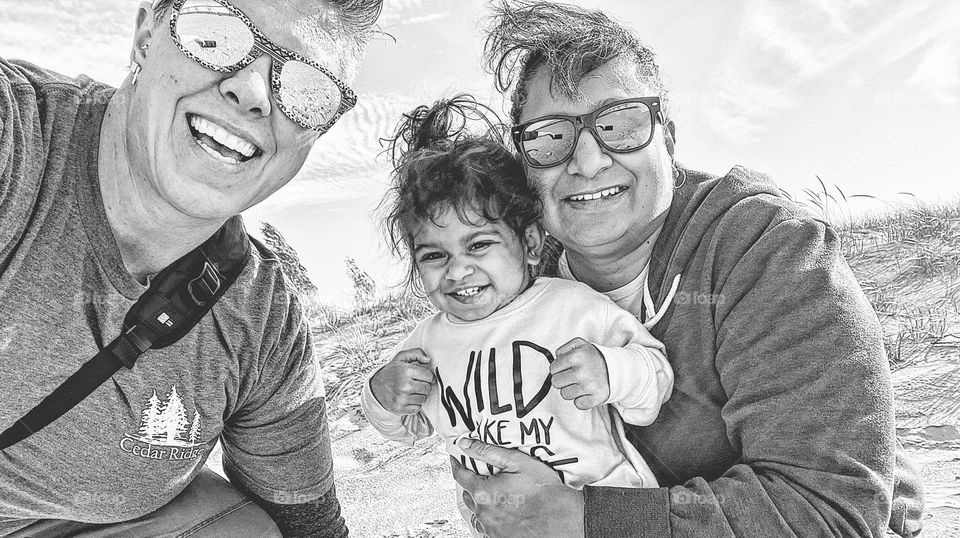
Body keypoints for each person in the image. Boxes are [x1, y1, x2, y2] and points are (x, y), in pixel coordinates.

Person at [449, 2, 925, 537]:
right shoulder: (526, 293)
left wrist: (586, 520)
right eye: (550, 136)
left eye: (621, 123)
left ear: (668, 139)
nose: (586, 161)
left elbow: (828, 509)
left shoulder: (765, 249)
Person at [0, 0, 381, 535]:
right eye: (217, 34)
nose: (251, 93)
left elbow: (310, 523)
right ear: (146, 36)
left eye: (306, 89)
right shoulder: (17, 142)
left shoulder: (260, 318)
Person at [360, 95, 674, 537]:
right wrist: (382, 394)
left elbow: (655, 383)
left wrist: (611, 371)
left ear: (528, 244)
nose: (457, 270)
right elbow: (403, 429)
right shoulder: (427, 341)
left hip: (600, 516)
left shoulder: (573, 307)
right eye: (433, 254)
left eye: (479, 245)